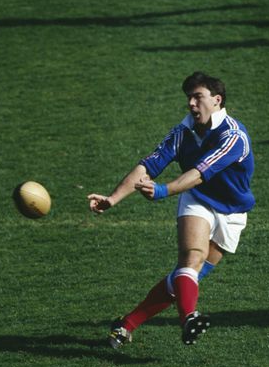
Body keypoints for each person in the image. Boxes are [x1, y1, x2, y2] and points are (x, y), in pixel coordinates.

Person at [88, 72, 256, 348]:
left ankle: (126, 324)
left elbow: (200, 172)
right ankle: (189, 318)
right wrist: (114, 198)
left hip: (233, 212)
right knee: (192, 258)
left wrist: (163, 190)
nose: (191, 104)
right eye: (188, 98)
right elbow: (148, 166)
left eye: (197, 97)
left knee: (185, 277)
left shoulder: (233, 136)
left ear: (217, 100)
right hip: (198, 199)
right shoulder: (183, 133)